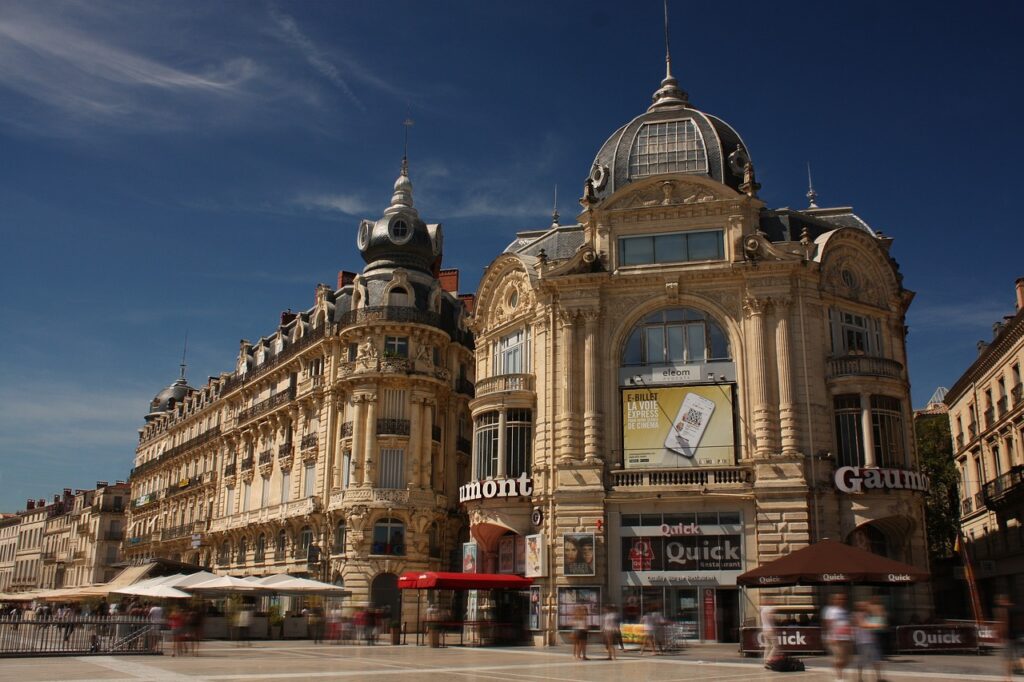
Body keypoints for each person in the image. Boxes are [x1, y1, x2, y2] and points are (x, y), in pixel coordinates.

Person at [822, 593, 853, 681]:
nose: (841, 601)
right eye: (839, 599)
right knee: (839, 659)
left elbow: (848, 624)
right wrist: (831, 637)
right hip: (836, 639)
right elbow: (828, 624)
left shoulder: (846, 611)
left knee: (847, 660)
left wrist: (851, 636)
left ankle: (835, 667)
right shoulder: (831, 611)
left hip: (846, 638)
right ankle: (839, 678)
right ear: (834, 600)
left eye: (843, 599)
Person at [761, 594, 778, 667]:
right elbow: (770, 618)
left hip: (764, 629)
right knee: (776, 646)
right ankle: (768, 659)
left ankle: (765, 662)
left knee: (767, 646)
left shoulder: (763, 609)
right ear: (769, 601)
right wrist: (774, 626)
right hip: (770, 629)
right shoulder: (770, 609)